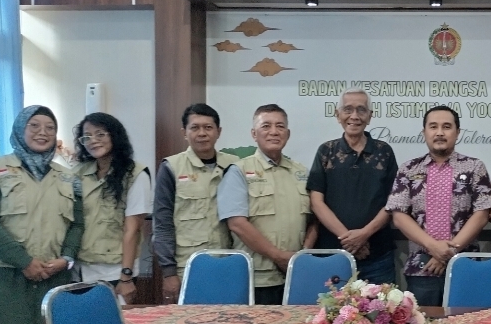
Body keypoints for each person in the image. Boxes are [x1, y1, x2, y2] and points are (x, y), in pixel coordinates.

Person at [0, 105, 83, 324]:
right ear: (20, 129)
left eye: (50, 128)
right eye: (34, 125)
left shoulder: (68, 177)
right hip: (3, 282)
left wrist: (66, 258)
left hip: (50, 280)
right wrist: (24, 261)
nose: (43, 132)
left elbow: (77, 225)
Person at [385, 105, 491, 305]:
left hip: (464, 265)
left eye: (447, 127)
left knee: (468, 322)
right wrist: (433, 246)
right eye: (433, 127)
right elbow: (399, 216)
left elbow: (482, 214)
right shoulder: (409, 169)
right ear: (424, 132)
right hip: (422, 268)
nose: (440, 132)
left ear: (457, 132)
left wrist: (449, 252)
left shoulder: (474, 167)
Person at [217, 104, 317, 304]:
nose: (274, 132)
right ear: (254, 134)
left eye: (280, 126)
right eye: (266, 126)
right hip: (256, 278)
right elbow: (237, 223)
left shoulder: (301, 172)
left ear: (288, 134)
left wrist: (301, 256)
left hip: (295, 275)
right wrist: (278, 256)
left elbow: (315, 220)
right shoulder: (239, 171)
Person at [308, 88, 399, 284]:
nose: (354, 116)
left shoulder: (384, 152)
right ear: (337, 114)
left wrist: (364, 234)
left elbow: (393, 201)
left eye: (361, 110)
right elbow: (316, 202)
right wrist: (349, 239)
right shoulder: (326, 151)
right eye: (348, 109)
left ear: (370, 116)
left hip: (378, 256)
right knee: (330, 305)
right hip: (334, 254)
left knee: (381, 305)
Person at [153, 103, 235, 304]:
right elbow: (162, 224)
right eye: (195, 128)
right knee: (188, 322)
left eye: (208, 127)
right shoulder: (171, 167)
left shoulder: (234, 165)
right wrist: (169, 273)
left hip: (230, 262)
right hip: (187, 266)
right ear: (184, 132)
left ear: (218, 132)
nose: (202, 133)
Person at [74, 113, 152, 303]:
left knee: (113, 321)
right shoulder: (77, 173)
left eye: (100, 134)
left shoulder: (135, 174)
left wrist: (126, 277)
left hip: (114, 270)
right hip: (79, 269)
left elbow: (132, 230)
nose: (93, 140)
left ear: (114, 135)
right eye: (87, 136)